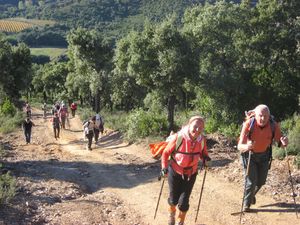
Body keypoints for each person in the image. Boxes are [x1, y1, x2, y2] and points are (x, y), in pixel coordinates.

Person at [237, 104, 288, 212]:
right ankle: (246, 205)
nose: (263, 118)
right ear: (255, 115)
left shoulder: (273, 125)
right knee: (251, 181)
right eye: (260, 115)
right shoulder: (249, 124)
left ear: (269, 116)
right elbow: (239, 146)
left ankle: (250, 196)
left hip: (264, 155)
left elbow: (281, 143)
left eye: (265, 116)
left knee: (261, 182)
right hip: (249, 155)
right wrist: (247, 146)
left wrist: (284, 142)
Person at [161, 116, 210, 225]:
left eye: (200, 127)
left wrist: (206, 159)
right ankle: (172, 214)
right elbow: (165, 153)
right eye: (195, 126)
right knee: (173, 199)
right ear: (189, 125)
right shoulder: (179, 137)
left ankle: (180, 221)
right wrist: (164, 167)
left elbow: (203, 153)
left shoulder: (201, 140)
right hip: (175, 172)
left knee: (184, 202)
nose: (197, 130)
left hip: (191, 173)